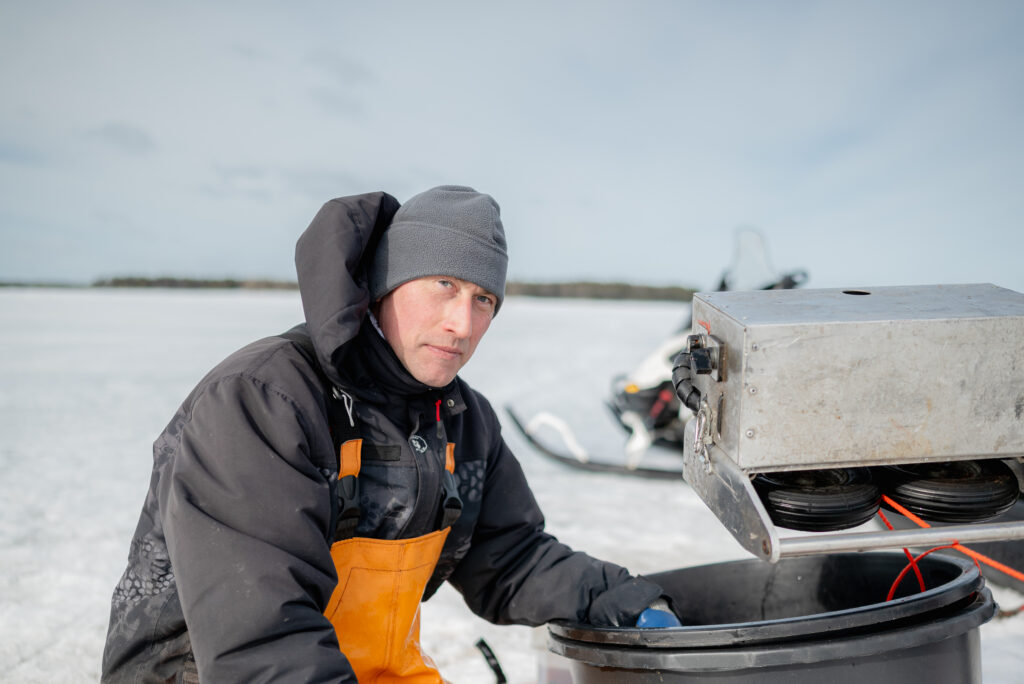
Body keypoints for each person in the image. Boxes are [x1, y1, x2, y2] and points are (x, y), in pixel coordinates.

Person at [102, 186, 669, 683]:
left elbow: (509, 557)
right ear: (383, 284)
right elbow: (262, 642)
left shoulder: (463, 423)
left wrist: (622, 598)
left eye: (483, 300)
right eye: (443, 284)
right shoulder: (266, 399)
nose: (462, 324)